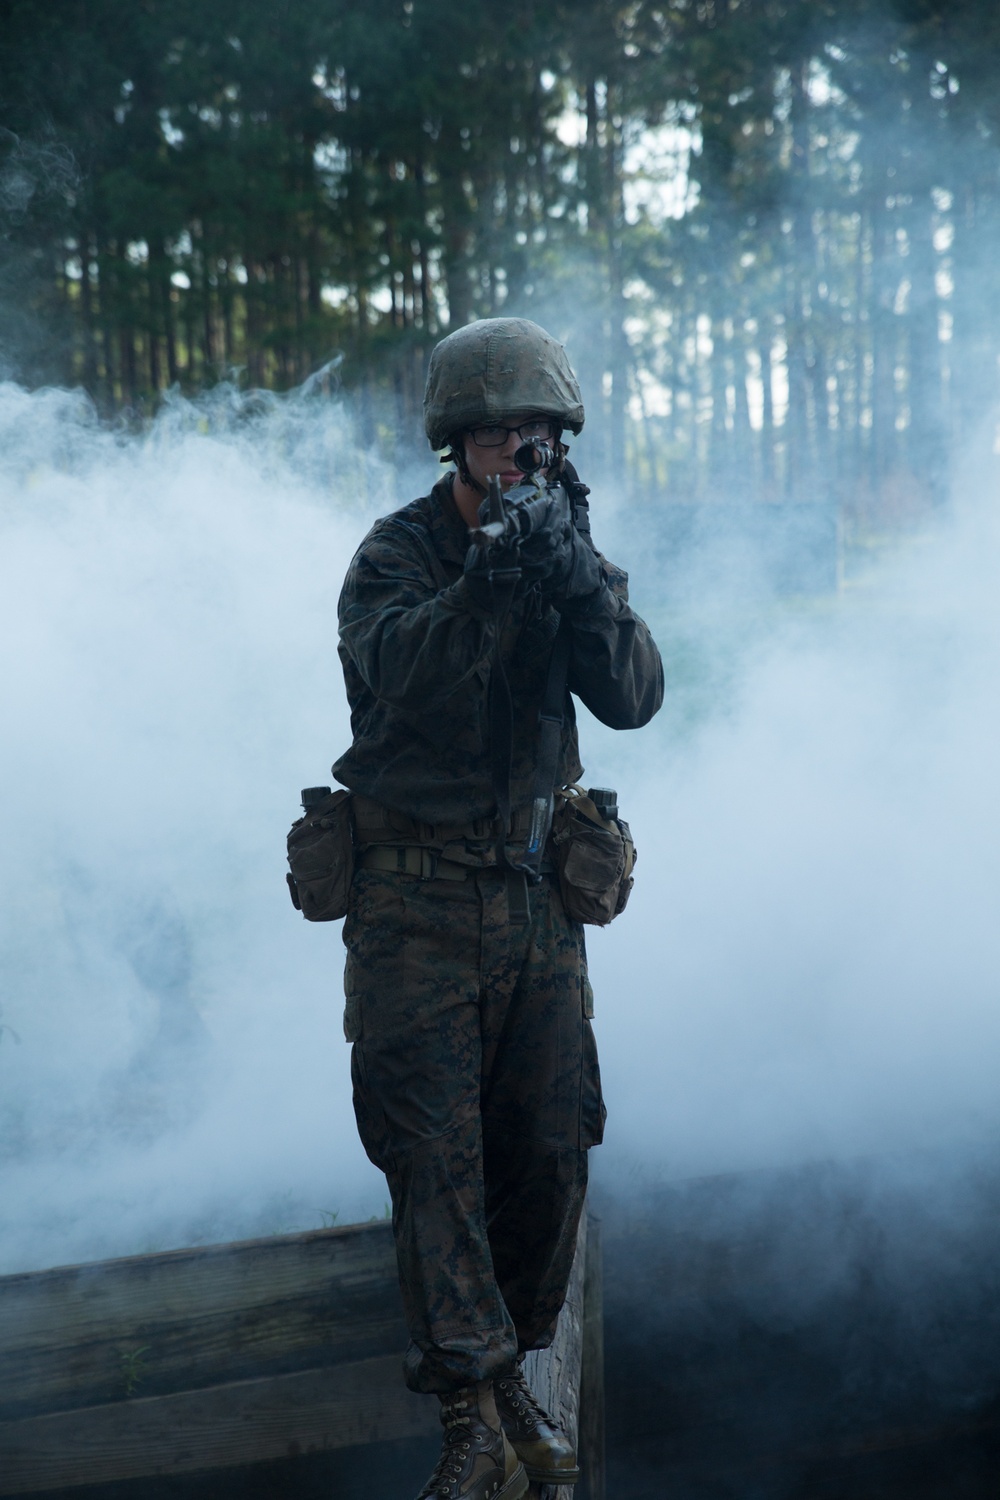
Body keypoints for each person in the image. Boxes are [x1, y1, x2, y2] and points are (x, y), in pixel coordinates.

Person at [333, 317, 663, 1500]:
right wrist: (483, 588)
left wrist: (573, 575)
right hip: (414, 904)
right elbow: (402, 679)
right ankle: (468, 1408)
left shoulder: (564, 544)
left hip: (533, 901)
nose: (518, 455)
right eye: (496, 437)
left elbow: (631, 697)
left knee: (549, 1146)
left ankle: (519, 1360)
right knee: (433, 1155)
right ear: (455, 447)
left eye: (537, 436)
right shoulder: (396, 558)